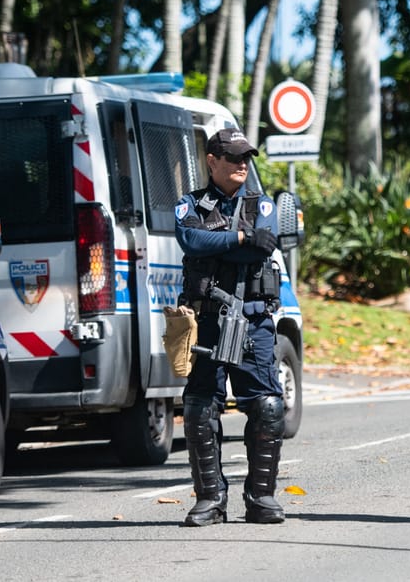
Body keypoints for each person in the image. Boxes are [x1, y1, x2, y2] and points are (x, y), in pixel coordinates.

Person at [175, 128, 284, 526]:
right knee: (201, 407)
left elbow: (263, 245)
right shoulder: (190, 204)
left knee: (267, 406)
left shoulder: (262, 204)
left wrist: (220, 238)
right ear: (211, 160)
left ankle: (261, 498)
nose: (242, 164)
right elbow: (190, 240)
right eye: (233, 157)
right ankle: (210, 500)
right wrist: (238, 235)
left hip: (253, 319)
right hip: (205, 320)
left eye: (246, 158)